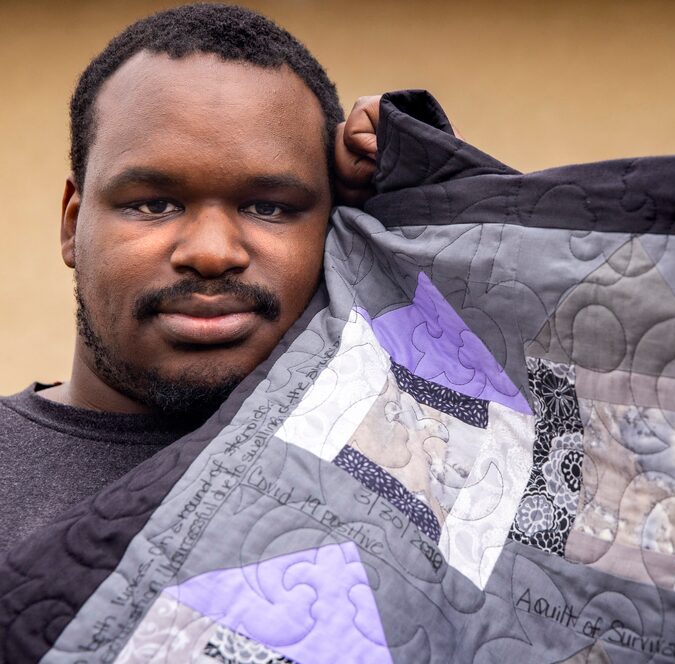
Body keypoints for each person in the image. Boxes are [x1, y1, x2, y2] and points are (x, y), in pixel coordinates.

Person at [0, 3, 392, 554]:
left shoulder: (411, 470)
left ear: (336, 229)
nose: (211, 253)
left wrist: (429, 214)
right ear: (72, 226)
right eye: (154, 204)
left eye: (269, 208)